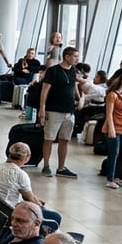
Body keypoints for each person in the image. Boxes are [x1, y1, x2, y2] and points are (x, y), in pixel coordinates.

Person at [38, 46, 81, 179]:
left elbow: (74, 86)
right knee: (49, 139)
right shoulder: (53, 71)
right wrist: (42, 109)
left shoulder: (73, 70)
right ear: (67, 57)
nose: (77, 59)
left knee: (65, 139)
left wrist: (79, 98)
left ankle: (61, 167)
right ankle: (46, 165)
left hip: (69, 111)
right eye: (75, 56)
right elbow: (45, 91)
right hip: (54, 110)